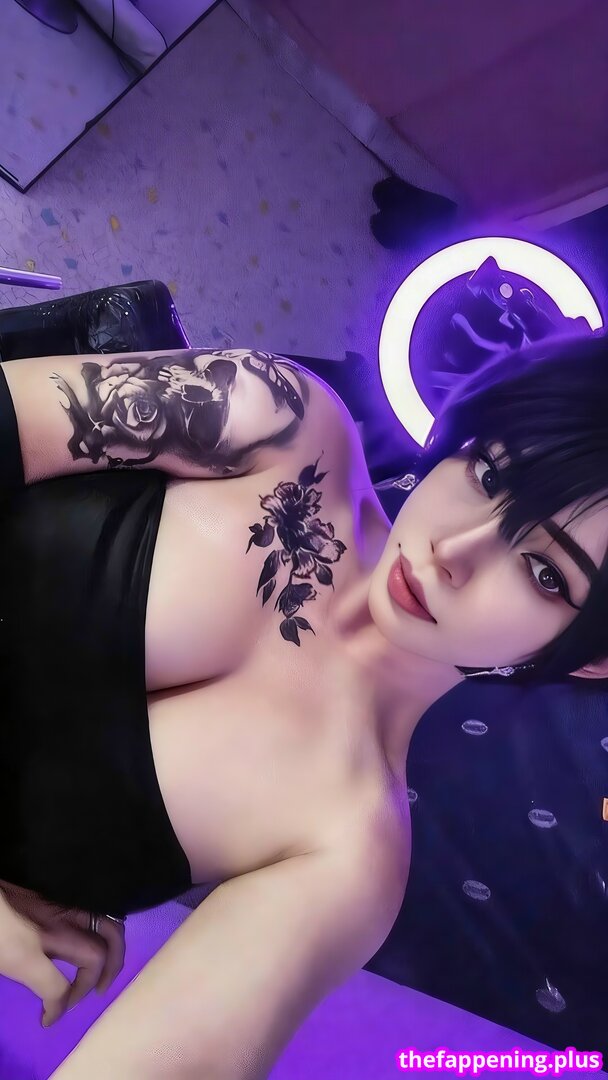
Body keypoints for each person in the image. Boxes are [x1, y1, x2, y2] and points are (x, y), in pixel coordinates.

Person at [1, 335, 608, 1078]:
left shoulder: (346, 851)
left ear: (591, 659)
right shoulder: (281, 419)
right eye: (488, 472)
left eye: (544, 571)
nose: (455, 550)